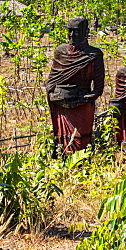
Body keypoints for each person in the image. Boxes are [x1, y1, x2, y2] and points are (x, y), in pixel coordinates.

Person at [45, 17, 105, 156]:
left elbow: (98, 89)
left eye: (76, 31)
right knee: (62, 142)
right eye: (69, 31)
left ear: (86, 32)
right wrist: (57, 96)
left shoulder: (94, 55)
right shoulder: (61, 51)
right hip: (62, 105)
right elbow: (52, 81)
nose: (72, 35)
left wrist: (80, 99)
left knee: (80, 142)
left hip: (82, 107)